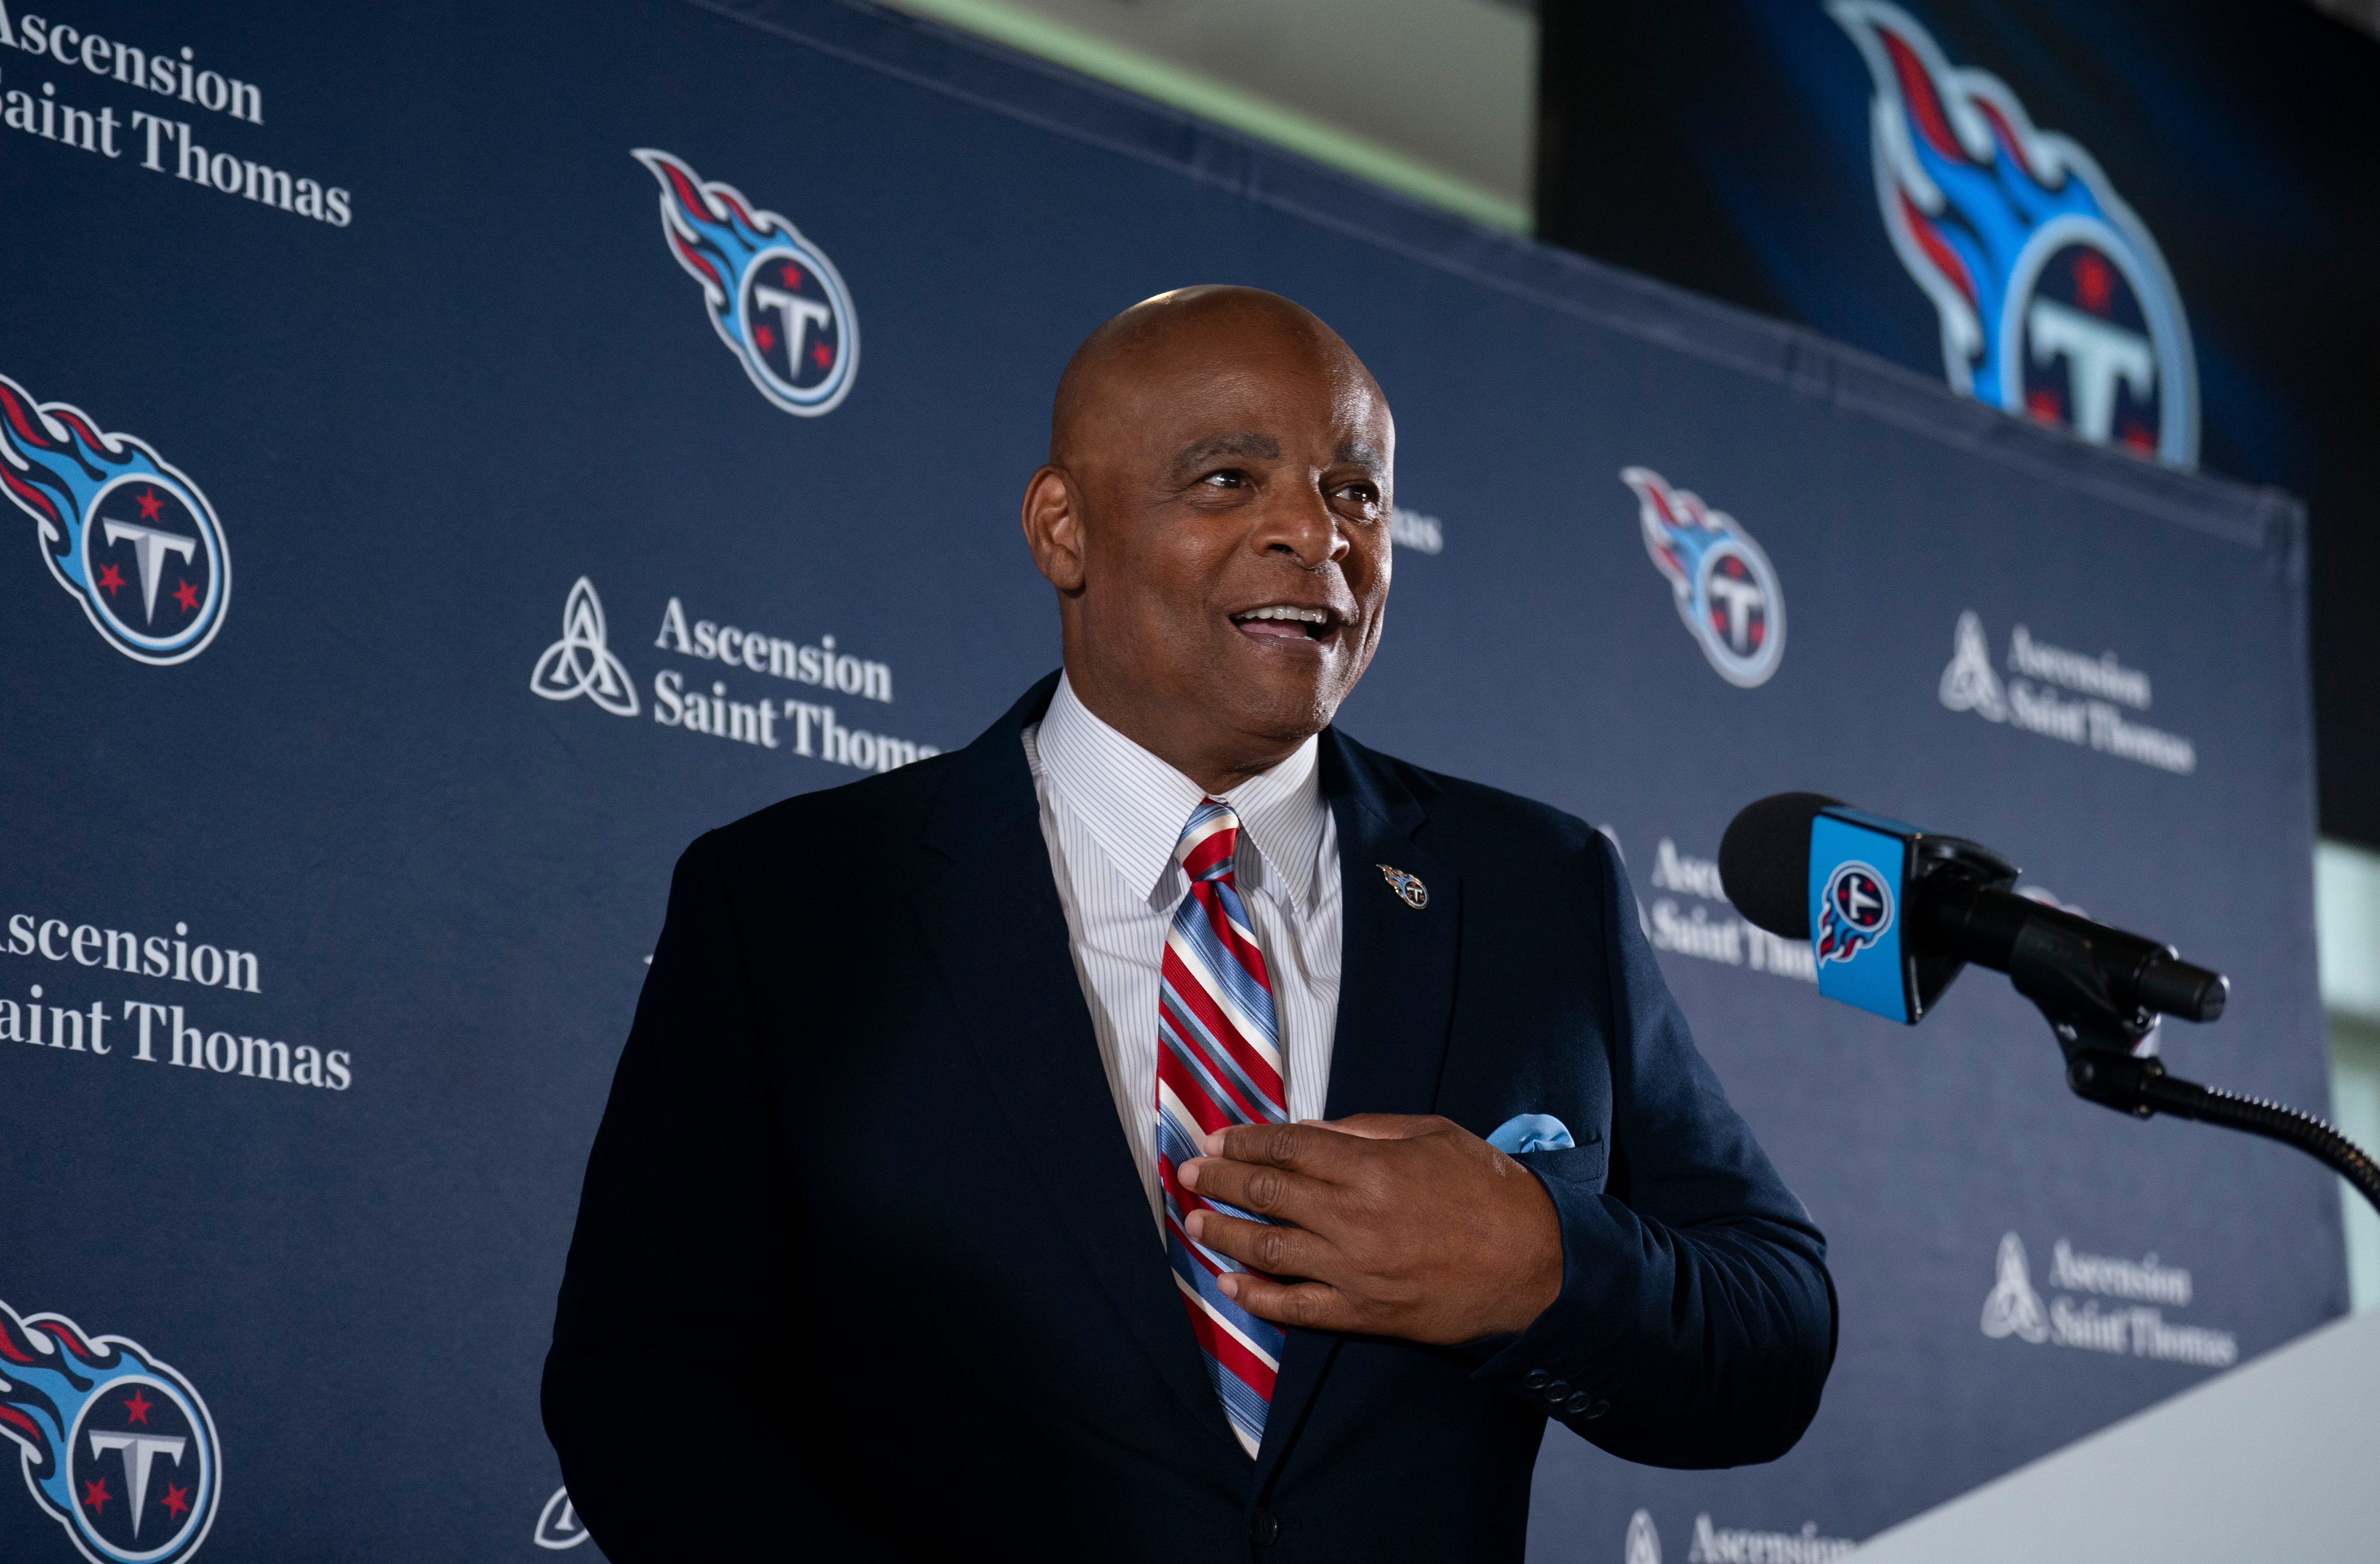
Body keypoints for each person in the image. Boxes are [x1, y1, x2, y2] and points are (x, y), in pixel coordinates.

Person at [543, 286, 1834, 1561]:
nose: (1316, 536)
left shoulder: (1537, 888)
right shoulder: (795, 898)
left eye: (1356, 492)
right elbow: (646, 1377)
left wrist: (1537, 1262)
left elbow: (1773, 1328)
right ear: (1064, 529)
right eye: (1228, 479)